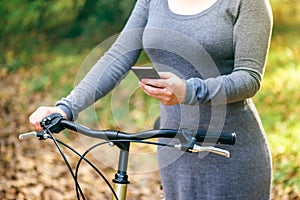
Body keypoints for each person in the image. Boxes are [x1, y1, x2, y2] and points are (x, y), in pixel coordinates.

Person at [29, 0, 273, 199]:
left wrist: (188, 91)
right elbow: (118, 56)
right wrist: (66, 107)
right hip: (174, 150)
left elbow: (249, 77)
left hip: (231, 151)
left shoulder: (247, 3)